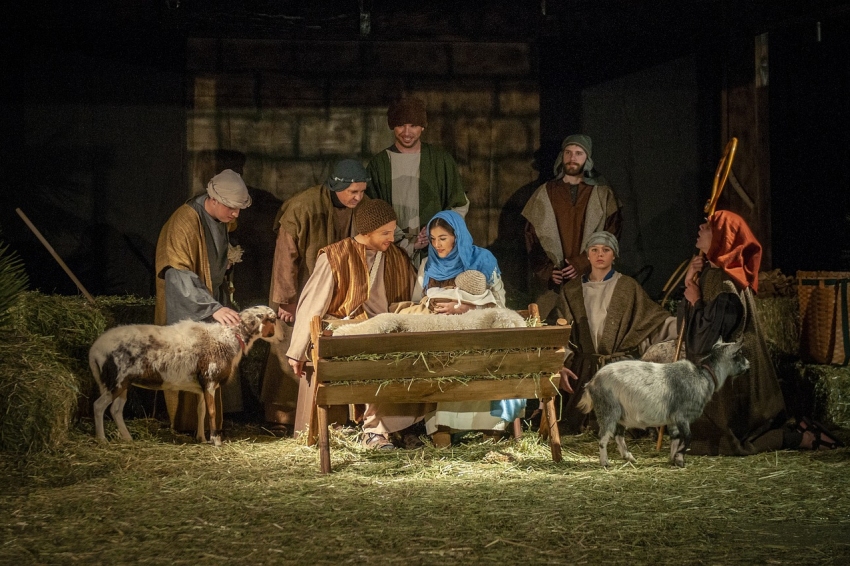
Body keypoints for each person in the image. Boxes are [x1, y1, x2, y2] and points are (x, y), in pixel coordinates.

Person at [680, 210, 843, 453]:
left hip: (735, 380)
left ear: (722, 239)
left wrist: (695, 302)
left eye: (709, 226)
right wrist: (689, 282)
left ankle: (797, 438)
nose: (701, 228)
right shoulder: (714, 274)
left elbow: (707, 340)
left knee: (729, 441)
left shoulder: (725, 282)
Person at [286, 198, 421, 450]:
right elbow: (312, 304)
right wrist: (297, 351)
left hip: (386, 330)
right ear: (366, 231)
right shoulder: (336, 257)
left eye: (393, 231)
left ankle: (401, 427)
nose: (391, 238)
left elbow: (412, 299)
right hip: (345, 332)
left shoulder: (396, 257)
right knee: (374, 358)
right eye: (385, 232)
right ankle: (375, 432)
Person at [261, 159, 371, 432]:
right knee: (288, 344)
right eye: (353, 192)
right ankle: (283, 414)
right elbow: (286, 255)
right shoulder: (303, 207)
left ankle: (331, 415)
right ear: (336, 186)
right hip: (301, 289)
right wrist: (286, 298)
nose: (358, 197)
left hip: (337, 292)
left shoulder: (361, 207)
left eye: (362, 191)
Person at [406, 211, 521, 446]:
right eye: (434, 238)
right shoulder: (429, 264)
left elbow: (500, 303)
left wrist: (465, 307)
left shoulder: (483, 260)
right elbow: (417, 300)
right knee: (445, 370)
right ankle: (443, 428)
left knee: (481, 370)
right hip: (444, 338)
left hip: (477, 335)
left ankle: (490, 428)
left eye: (443, 238)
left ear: (457, 237)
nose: (437, 245)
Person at [154, 168, 252, 433]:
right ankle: (185, 426)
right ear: (214, 200)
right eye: (231, 208)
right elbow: (178, 274)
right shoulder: (185, 222)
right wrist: (212, 307)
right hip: (188, 304)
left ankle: (210, 426)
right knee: (188, 359)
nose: (235, 215)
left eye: (239, 209)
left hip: (212, 298)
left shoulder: (222, 219)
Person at [557, 231, 677, 433]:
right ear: (587, 255)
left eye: (606, 250)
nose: (599, 254)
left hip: (618, 366)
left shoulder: (627, 287)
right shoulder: (572, 290)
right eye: (594, 250)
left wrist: (682, 327)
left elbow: (650, 320)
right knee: (580, 423)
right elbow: (559, 331)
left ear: (614, 255)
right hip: (585, 366)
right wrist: (561, 360)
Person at [522, 134, 622, 323]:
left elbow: (612, 233)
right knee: (550, 330)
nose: (572, 158)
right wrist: (548, 270)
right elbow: (531, 236)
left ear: (587, 159)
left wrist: (584, 262)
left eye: (578, 153)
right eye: (568, 152)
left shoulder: (603, 194)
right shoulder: (545, 192)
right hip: (554, 281)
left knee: (590, 327)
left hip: (591, 276)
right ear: (562, 156)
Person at [366, 97, 469, 266]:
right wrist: (402, 241)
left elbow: (459, 205)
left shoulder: (440, 160)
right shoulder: (379, 165)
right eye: (401, 125)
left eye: (413, 125)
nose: (407, 132)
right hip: (392, 251)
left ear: (422, 126)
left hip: (434, 252)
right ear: (392, 126)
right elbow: (372, 211)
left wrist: (436, 228)